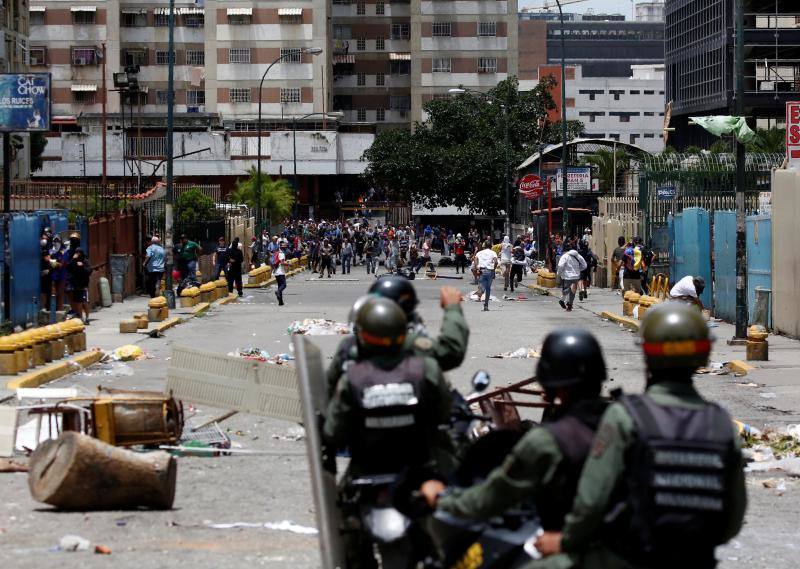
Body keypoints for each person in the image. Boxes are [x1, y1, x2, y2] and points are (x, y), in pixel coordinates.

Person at [534, 303, 746, 569]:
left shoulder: (626, 417)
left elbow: (591, 503)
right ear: (704, 355)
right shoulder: (721, 424)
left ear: (647, 354)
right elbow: (732, 519)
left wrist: (565, 541)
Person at [421, 330, 609, 540]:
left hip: (577, 544)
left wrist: (441, 499)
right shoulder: (622, 418)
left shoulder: (547, 441)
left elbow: (493, 496)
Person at [324, 297, 454, 568]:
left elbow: (334, 432)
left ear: (364, 338)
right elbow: (443, 414)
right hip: (418, 471)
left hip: (365, 474)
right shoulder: (426, 369)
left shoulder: (353, 378)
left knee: (345, 526)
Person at [327, 278, 469, 397]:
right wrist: (452, 308)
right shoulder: (413, 345)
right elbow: (452, 351)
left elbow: (326, 390)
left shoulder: (349, 347)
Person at [557, 244, 587, 312]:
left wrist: (559, 273)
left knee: (566, 289)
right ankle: (570, 305)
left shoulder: (565, 256)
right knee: (573, 291)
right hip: (576, 276)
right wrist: (579, 269)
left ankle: (562, 300)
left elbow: (561, 265)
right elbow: (585, 265)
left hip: (567, 276)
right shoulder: (578, 256)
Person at [67, 248, 92, 324]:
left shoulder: (85, 261)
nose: (77, 254)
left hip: (84, 285)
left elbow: (89, 271)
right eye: (76, 253)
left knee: (85, 302)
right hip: (76, 285)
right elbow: (68, 268)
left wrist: (82, 266)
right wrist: (73, 259)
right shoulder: (74, 261)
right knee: (78, 302)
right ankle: (81, 317)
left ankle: (87, 318)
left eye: (79, 253)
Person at [475, 240, 498, 311]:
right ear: (491, 246)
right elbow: (496, 261)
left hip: (481, 270)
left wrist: (477, 267)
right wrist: (494, 269)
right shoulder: (493, 252)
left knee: (482, 284)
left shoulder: (480, 252)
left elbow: (475, 259)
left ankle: (481, 290)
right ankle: (486, 305)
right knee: (488, 288)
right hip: (489, 271)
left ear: (484, 246)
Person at [49, 237, 67, 311]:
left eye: (57, 241)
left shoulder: (64, 251)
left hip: (61, 274)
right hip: (53, 274)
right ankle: (53, 310)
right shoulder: (51, 250)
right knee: (53, 292)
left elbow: (62, 264)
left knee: (60, 293)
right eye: (54, 241)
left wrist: (54, 263)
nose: (56, 243)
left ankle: (59, 310)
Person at [273, 238, 289, 305]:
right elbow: (282, 263)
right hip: (280, 272)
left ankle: (280, 302)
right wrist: (288, 264)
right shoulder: (282, 253)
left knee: (280, 285)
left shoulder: (277, 252)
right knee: (284, 285)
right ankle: (277, 291)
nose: (285, 247)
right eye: (284, 246)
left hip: (276, 272)